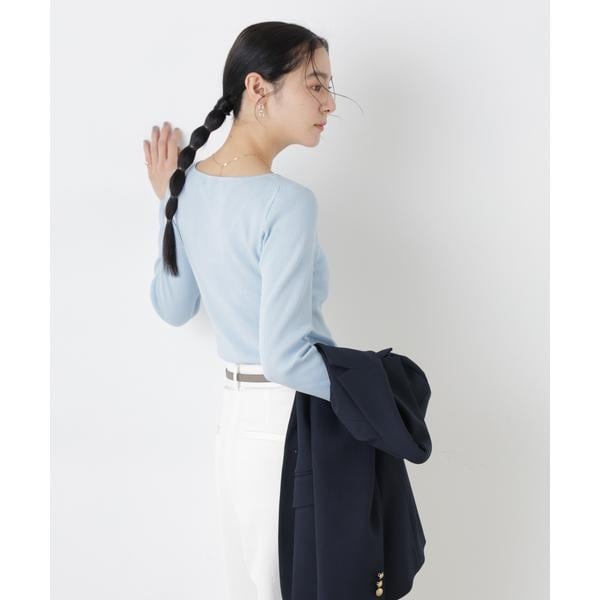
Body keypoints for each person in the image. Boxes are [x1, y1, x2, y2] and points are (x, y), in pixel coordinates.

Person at [143, 21, 343, 600]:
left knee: (254, 585)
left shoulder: (190, 188)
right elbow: (285, 356)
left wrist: (169, 203)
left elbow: (172, 307)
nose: (329, 104)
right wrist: (371, 394)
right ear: (258, 87)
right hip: (291, 416)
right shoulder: (288, 202)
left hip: (236, 420)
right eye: (316, 85)